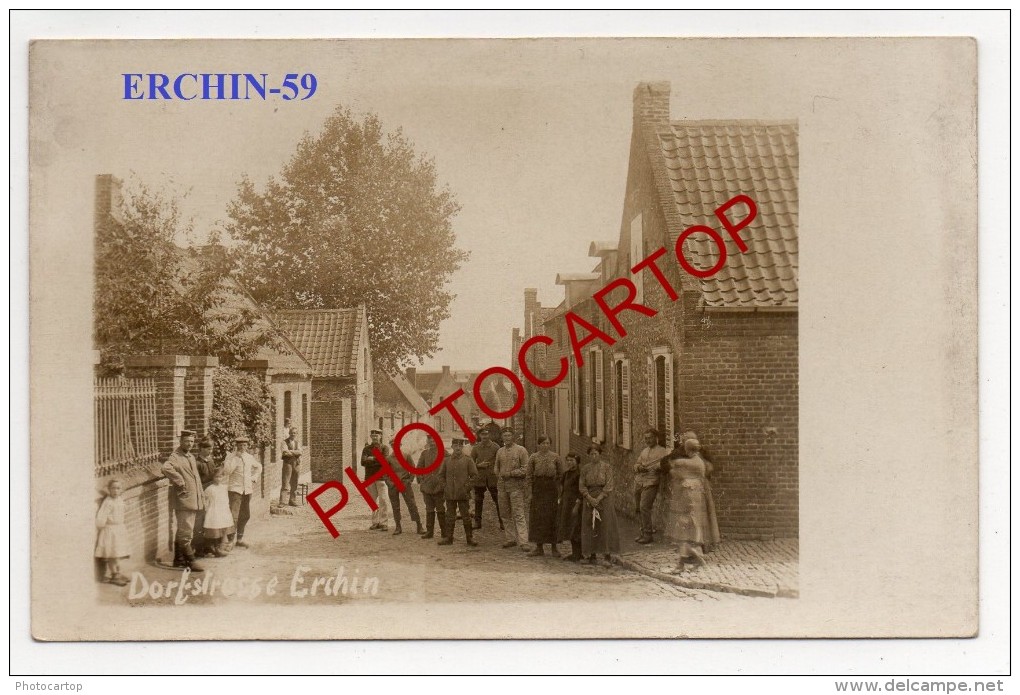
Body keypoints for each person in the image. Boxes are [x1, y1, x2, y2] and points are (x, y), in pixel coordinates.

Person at [668, 434, 721, 573]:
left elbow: (677, 465)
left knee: (685, 532)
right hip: (693, 500)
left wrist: (675, 466)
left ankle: (696, 560)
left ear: (688, 449)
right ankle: (683, 564)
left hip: (691, 501)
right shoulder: (697, 462)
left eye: (686, 449)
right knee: (687, 533)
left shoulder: (695, 463)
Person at [161, 430, 205, 571]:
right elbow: (165, 468)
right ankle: (190, 561)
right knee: (186, 531)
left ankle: (178, 559)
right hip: (184, 499)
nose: (190, 444)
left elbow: (196, 479)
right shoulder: (176, 456)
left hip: (193, 498)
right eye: (187, 441)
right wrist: (179, 481)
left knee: (183, 529)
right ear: (181, 442)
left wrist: (201, 496)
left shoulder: (191, 457)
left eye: (192, 441)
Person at [579, 441, 621, 565]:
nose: (594, 456)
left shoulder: (606, 467)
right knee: (590, 525)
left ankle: (607, 554)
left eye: (596, 454)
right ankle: (591, 555)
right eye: (591, 454)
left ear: (600, 454)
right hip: (589, 498)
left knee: (605, 525)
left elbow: (609, 485)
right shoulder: (585, 469)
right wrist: (590, 498)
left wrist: (599, 498)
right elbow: (582, 485)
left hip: (604, 499)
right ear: (588, 455)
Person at [223, 435, 262, 550]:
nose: (242, 448)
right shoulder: (230, 457)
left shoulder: (249, 457)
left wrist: (254, 477)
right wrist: (235, 458)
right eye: (240, 445)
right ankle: (230, 541)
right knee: (233, 516)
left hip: (247, 490)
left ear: (247, 446)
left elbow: (259, 466)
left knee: (245, 515)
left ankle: (239, 539)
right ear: (236, 446)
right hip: (235, 490)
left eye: (244, 445)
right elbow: (227, 471)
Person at [526, 436, 563, 557]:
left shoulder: (556, 457)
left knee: (552, 517)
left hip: (551, 489)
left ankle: (554, 547)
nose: (545, 445)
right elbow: (529, 476)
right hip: (538, 488)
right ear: (539, 445)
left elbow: (560, 474)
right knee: (538, 518)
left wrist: (557, 489)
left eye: (547, 443)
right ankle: (539, 547)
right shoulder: (533, 457)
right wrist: (530, 492)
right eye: (543, 443)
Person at [495, 427, 531, 551]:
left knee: (519, 514)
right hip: (502, 487)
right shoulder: (500, 451)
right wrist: (499, 475)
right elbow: (496, 467)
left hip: (516, 487)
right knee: (505, 514)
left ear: (513, 437)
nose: (507, 438)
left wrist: (510, 474)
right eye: (505, 436)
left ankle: (523, 541)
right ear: (502, 438)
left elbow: (526, 469)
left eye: (509, 435)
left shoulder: (521, 450)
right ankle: (510, 538)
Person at [437, 438, 478, 547]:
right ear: (452, 447)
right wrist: (445, 487)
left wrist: (467, 488)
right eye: (456, 446)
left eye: (460, 446)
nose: (458, 448)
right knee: (450, 516)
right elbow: (441, 475)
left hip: (462, 493)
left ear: (463, 447)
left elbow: (474, 476)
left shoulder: (468, 460)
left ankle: (469, 539)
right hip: (450, 493)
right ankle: (448, 538)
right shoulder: (447, 460)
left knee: (466, 516)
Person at [633, 429, 670, 544]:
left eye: (650, 438)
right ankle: (643, 532)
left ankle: (648, 534)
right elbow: (636, 464)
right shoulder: (644, 451)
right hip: (639, 482)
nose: (647, 440)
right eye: (646, 438)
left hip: (651, 482)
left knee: (644, 507)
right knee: (638, 508)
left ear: (656, 438)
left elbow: (665, 465)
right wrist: (639, 468)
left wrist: (658, 466)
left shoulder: (662, 452)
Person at [385, 437, 423, 536]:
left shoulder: (406, 456)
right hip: (393, 485)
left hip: (404, 484)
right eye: (393, 445)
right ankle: (398, 526)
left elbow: (413, 468)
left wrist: (409, 481)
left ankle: (419, 525)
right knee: (395, 506)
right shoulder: (389, 458)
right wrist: (389, 483)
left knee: (411, 504)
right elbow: (385, 473)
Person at [95, 479, 129, 585]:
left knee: (117, 553)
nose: (115, 491)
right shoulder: (108, 502)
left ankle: (117, 572)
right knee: (112, 554)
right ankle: (114, 575)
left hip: (119, 529)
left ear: (121, 490)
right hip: (110, 530)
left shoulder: (120, 500)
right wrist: (102, 527)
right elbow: (101, 518)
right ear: (109, 489)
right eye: (113, 488)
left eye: (118, 488)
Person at [469, 425, 503, 531]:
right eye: (482, 434)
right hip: (480, 478)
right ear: (479, 435)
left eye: (487, 434)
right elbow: (470, 464)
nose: (485, 436)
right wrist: (479, 465)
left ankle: (502, 522)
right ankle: (477, 522)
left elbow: (500, 461)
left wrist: (498, 472)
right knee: (478, 500)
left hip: (493, 478)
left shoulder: (496, 447)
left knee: (498, 500)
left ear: (490, 435)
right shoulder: (476, 448)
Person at [192, 436, 218, 557]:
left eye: (211, 448)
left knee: (210, 520)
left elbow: (213, 476)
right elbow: (197, 481)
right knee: (200, 522)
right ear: (200, 449)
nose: (209, 451)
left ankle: (209, 546)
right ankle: (198, 548)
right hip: (202, 494)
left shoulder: (210, 461)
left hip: (212, 494)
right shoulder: (197, 463)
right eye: (207, 449)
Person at [360, 429, 391, 531]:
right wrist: (377, 459)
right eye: (372, 436)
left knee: (383, 500)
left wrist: (371, 458)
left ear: (380, 436)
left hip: (381, 478)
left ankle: (383, 522)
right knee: (373, 501)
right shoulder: (366, 449)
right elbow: (363, 462)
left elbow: (385, 462)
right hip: (370, 477)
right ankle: (375, 522)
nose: (374, 437)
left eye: (376, 435)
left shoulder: (385, 448)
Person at [416, 437, 446, 540]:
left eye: (434, 441)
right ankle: (429, 532)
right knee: (429, 509)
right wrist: (422, 480)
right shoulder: (424, 453)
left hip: (439, 486)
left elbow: (449, 467)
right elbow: (419, 468)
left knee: (440, 509)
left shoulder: (444, 453)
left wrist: (443, 483)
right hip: (427, 486)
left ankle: (444, 532)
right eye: (430, 441)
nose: (432, 443)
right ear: (427, 442)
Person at [201, 467, 234, 557]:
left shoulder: (224, 488)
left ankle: (221, 547)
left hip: (223, 510)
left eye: (220, 477)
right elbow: (206, 501)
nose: (218, 479)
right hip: (214, 510)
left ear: (223, 477)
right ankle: (212, 549)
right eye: (216, 477)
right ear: (213, 478)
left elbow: (226, 499)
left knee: (223, 529)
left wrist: (227, 509)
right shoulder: (209, 489)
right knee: (214, 530)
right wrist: (206, 510)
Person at [557, 452, 584, 562]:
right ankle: (574, 553)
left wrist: (577, 505)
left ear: (577, 462)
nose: (569, 463)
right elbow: (562, 487)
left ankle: (578, 554)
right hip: (566, 504)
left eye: (572, 460)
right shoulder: (566, 474)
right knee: (568, 527)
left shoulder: (579, 474)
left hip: (575, 504)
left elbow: (581, 491)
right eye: (567, 460)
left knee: (575, 528)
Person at [280, 426, 302, 507]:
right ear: (289, 433)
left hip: (296, 463)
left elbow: (300, 452)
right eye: (292, 433)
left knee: (295, 482)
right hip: (287, 463)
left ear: (296, 434)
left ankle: (292, 500)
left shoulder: (297, 442)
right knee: (285, 483)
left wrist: (291, 452)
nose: (293, 434)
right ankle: (282, 502)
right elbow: (285, 452)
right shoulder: (284, 442)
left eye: (295, 433)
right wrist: (295, 452)